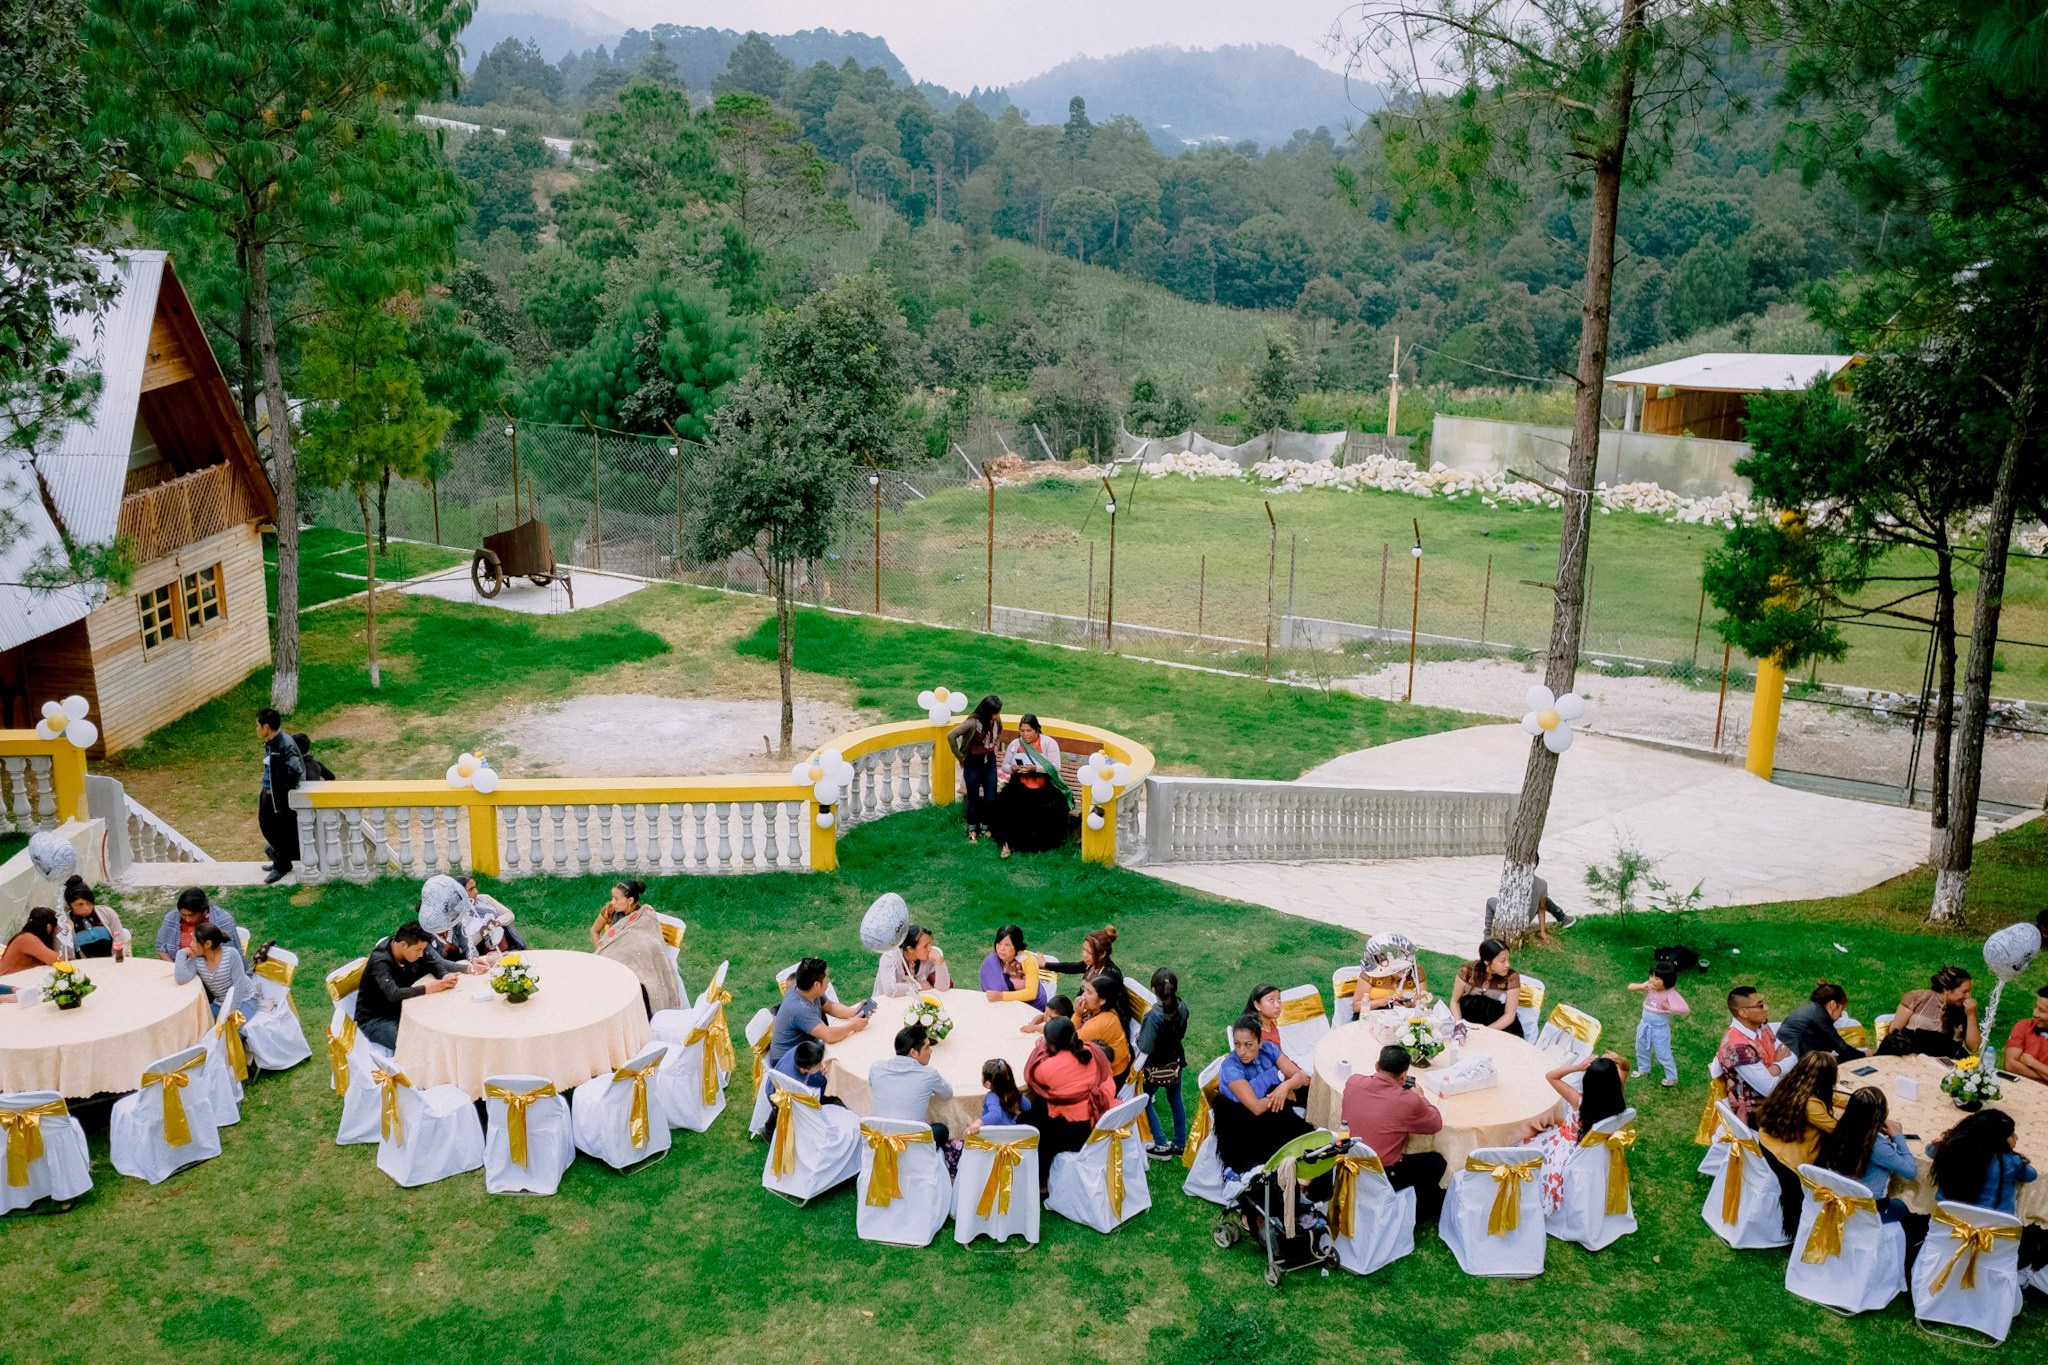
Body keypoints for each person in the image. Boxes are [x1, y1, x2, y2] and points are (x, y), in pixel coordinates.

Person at [1817, 1086, 1926, 1263]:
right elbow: (1910, 1171)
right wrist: (1898, 1136)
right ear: (1881, 1115)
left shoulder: (1839, 1130)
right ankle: (1905, 1259)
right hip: (1870, 1210)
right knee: (1914, 1206)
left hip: (1839, 1198)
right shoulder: (1878, 1146)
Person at [1340, 1043, 1449, 1222]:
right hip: (1384, 1172)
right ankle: (1420, 1209)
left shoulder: (1353, 1082)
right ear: (1404, 1076)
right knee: (1437, 1163)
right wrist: (1421, 1097)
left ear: (1377, 1065)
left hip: (1350, 1159)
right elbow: (1435, 1124)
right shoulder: (1408, 1100)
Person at [1930, 1109, 2048, 1270]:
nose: (2016, 1138)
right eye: (2011, 1135)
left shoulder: (1950, 1150)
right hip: (1994, 1234)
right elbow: (2032, 1175)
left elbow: (1929, 1149)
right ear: (1999, 1140)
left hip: (1951, 1227)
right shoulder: (2011, 1162)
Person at [1519, 1053, 1629, 1214]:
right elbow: (1626, 1067)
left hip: (1569, 1148)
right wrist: (1619, 1059)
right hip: (1598, 1148)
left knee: (1524, 1144)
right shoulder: (1617, 1092)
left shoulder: (1578, 1100)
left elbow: (1551, 1076)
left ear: (1588, 1080)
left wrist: (1578, 1067)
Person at [1213, 1014, 1315, 1178]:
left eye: (1248, 1045)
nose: (1241, 1052)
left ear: (1260, 1043)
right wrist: (1283, 1093)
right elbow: (1256, 1107)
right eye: (1237, 1045)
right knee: (1290, 1150)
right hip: (1246, 1120)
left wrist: (1285, 1086)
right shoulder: (1231, 1068)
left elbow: (1298, 1075)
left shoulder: (1268, 1049)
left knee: (1310, 1139)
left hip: (1272, 1108)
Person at [1754, 1050, 1842, 1239]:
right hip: (1788, 1161)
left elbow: (1831, 1099)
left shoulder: (1792, 1085)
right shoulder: (1812, 1106)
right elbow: (1838, 1131)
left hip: (1768, 1142)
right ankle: (1795, 1234)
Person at [1023, 1016, 1116, 1190]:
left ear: (1051, 1045)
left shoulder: (1047, 1068)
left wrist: (1041, 1047)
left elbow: (1030, 1075)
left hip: (1076, 1133)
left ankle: (1042, 1181)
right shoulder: (1094, 1051)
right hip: (1100, 1122)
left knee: (1035, 1119)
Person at [354, 921, 463, 1051]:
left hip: (403, 1008)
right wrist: (428, 988)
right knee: (414, 1048)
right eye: (418, 950)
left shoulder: (410, 949)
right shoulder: (380, 961)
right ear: (404, 945)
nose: (421, 954)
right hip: (377, 1019)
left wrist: (444, 976)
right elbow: (393, 994)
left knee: (443, 1024)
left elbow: (432, 963)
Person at [588, 878, 679, 1017]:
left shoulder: (644, 917)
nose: (612, 902)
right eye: (612, 897)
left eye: (617, 899)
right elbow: (594, 931)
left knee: (645, 991)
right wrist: (603, 951)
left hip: (640, 968)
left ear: (630, 900)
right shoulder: (610, 910)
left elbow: (653, 947)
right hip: (614, 965)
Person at [989, 713, 1069, 858]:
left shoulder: (1049, 743)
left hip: (1042, 786)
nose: (1025, 734)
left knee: (1045, 810)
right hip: (1019, 785)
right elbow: (1005, 766)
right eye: (1022, 731)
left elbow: (1056, 767)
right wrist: (1012, 768)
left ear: (1037, 729)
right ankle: (1007, 843)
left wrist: (1035, 768)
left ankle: (1035, 844)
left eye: (1029, 731)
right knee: (1007, 807)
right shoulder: (1015, 744)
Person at [767, 957, 870, 1069]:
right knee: (842, 1068)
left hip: (807, 1051)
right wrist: (853, 1026)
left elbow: (831, 1007)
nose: (828, 981)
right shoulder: (799, 1009)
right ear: (816, 985)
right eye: (826, 978)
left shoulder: (805, 991)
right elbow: (828, 1035)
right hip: (792, 1065)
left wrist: (854, 1012)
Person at [868, 1023, 958, 1151]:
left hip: (880, 1140)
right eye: (927, 1048)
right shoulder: (929, 1074)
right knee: (941, 1129)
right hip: (911, 1145)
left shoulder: (876, 1068)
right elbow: (947, 1094)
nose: (930, 1052)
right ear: (914, 1052)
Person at [1138, 967, 1189, 1159]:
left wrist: (1138, 1036)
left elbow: (1145, 1046)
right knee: (1176, 1099)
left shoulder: (1152, 1016)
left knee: (1144, 1100)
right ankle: (1180, 1142)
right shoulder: (1183, 1007)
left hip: (1156, 1067)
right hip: (1175, 1062)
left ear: (1153, 989)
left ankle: (1160, 1143)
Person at [1716, 986, 1786, 1125]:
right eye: (1760, 1005)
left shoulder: (1760, 1027)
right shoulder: (1738, 1048)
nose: (1766, 1008)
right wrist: (1780, 1066)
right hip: (1759, 1113)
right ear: (1743, 1012)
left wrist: (1772, 1070)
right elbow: (1769, 1088)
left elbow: (1786, 1052)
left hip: (1774, 1097)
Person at [1879, 965, 1981, 1059]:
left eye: (1969, 992)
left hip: (1946, 1061)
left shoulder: (1965, 1009)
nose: (1968, 996)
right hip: (1912, 1057)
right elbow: (1894, 1031)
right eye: (1964, 992)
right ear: (1947, 990)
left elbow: (1974, 1047)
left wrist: (1972, 1016)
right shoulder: (1917, 998)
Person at [256, 706, 305, 885]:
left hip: (277, 797)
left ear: (266, 727)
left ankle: (282, 864)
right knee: (266, 826)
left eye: (258, 726)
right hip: (267, 792)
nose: (257, 730)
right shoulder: (272, 742)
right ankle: (280, 860)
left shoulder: (284, 743)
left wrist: (283, 788)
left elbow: (295, 769)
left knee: (275, 830)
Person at [174, 923, 261, 1023]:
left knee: (229, 1030)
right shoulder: (197, 959)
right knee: (200, 1026)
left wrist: (229, 1013)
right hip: (220, 1003)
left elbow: (239, 985)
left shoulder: (231, 954)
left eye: (193, 941)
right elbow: (181, 978)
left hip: (244, 1000)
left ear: (207, 944)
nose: (190, 945)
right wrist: (181, 953)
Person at [948, 694, 1003, 844]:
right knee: (973, 799)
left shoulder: (997, 721)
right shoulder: (972, 723)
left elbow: (1000, 732)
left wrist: (995, 745)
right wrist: (961, 757)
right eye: (995, 712)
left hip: (989, 762)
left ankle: (985, 827)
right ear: (986, 711)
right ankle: (972, 830)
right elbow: (951, 736)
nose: (998, 715)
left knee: (990, 798)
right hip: (973, 763)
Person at [1626, 961, 1689, 1084]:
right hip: (1644, 1025)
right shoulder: (1649, 987)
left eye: (1657, 978)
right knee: (1641, 1048)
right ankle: (1643, 1069)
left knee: (1663, 1054)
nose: (1652, 980)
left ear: (1668, 981)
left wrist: (1669, 1007)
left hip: (1659, 1030)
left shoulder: (1670, 993)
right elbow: (1630, 987)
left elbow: (1685, 1009)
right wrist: (1641, 986)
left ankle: (1671, 1077)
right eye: (1651, 976)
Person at [1450, 938, 1524, 1037]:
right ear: (1487, 961)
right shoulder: (1468, 971)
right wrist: (1459, 1024)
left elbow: (1509, 1015)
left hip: (1495, 1021)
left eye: (1508, 959)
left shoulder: (1511, 977)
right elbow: (1455, 1002)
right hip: (1467, 1015)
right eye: (1502, 961)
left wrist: (1486, 1032)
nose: (1507, 964)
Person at [1776, 981, 1864, 1063]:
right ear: (1833, 1004)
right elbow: (1840, 1047)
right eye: (1841, 1009)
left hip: (1793, 1053)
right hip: (1793, 1060)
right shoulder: (1819, 1016)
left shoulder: (1813, 1010)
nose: (1841, 1015)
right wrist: (1865, 1055)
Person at [156, 888, 243, 965]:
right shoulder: (172, 918)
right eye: (183, 915)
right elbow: (162, 949)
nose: (187, 919)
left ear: (204, 910)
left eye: (191, 915)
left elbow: (228, 956)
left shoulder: (222, 920)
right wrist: (176, 969)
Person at [1076, 970, 1134, 1083]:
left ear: (1102, 1000)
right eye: (1084, 990)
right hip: (1120, 1062)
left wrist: (1077, 1014)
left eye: (1089, 992)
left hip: (1114, 1075)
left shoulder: (1099, 1024)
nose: (1083, 996)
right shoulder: (1106, 1009)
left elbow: (1067, 1042)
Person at [1351, 935, 1429, 1015]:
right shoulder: (1372, 973)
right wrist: (1381, 1002)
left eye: (1406, 967)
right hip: (1373, 1016)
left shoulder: (1416, 972)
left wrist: (1410, 1005)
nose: (1404, 971)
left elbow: (1425, 1005)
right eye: (1399, 969)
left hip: (1405, 1017)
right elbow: (1356, 1006)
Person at [874, 922, 951, 998]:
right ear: (910, 949)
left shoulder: (933, 955)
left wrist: (940, 961)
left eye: (930, 943)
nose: (930, 948)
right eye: (925, 946)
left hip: (916, 1003)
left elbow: (943, 987)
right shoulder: (889, 957)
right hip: (885, 1004)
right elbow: (890, 990)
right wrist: (919, 987)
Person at [60, 876, 127, 961]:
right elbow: (63, 954)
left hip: (112, 964)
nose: (86, 908)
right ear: (69, 905)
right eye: (80, 904)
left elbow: (121, 941)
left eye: (89, 902)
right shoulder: (64, 923)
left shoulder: (107, 913)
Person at [979, 924, 1047, 1006]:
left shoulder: (1028, 961)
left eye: (1007, 945)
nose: (1001, 948)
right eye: (999, 944)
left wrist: (1002, 996)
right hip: (1001, 1006)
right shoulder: (991, 962)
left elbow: (1031, 993)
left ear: (1016, 946)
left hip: (1032, 1006)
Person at [970, 1058, 1032, 1134]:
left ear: (988, 1083)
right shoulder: (1015, 1095)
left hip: (993, 1137)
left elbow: (996, 1114)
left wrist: (979, 1121)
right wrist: (1017, 1094)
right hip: (1012, 1136)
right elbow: (1027, 1106)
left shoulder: (992, 1097)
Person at [2002, 984, 2048, 1083]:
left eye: (2041, 1011)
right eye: (2036, 1007)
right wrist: (2044, 1076)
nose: (2035, 1014)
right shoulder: (2023, 1026)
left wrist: (2031, 1062)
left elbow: (2019, 1064)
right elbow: (2010, 1065)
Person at [0, 907, 63, 976]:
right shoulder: (27, 939)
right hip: (4, 980)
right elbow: (56, 959)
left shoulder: (26, 936)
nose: (57, 931)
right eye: (56, 928)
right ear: (49, 926)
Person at [1244, 983, 1284, 1048]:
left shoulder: (1269, 1022)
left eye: (1279, 999)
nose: (1277, 1005)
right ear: (1257, 1005)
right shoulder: (1257, 1036)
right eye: (1271, 1000)